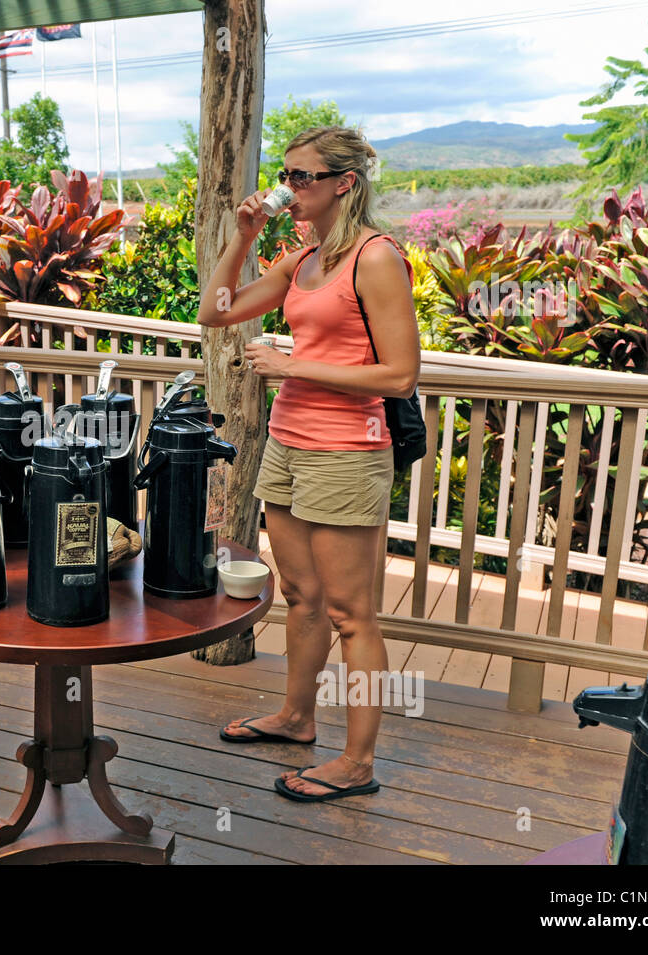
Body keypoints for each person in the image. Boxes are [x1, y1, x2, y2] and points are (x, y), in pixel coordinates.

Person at [198, 125, 419, 802]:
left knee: (354, 615)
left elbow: (402, 375)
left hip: (348, 453)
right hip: (289, 443)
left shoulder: (375, 259)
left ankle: (357, 760)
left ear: (343, 184)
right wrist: (242, 237)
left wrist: (295, 365)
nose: (288, 188)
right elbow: (216, 311)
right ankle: (296, 718)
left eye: (303, 177)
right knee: (301, 596)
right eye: (286, 175)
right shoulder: (305, 259)